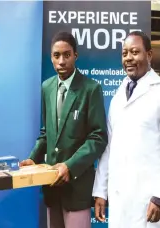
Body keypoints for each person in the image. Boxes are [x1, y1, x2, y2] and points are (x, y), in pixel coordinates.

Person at [20, 31, 108, 228]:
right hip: (52, 187)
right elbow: (46, 132)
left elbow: (98, 137)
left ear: (75, 56)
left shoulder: (91, 89)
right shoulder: (47, 87)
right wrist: (34, 159)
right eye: (56, 55)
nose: (61, 61)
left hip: (77, 188)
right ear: (51, 57)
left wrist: (70, 166)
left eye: (66, 55)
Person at [92, 31, 160, 228]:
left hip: (148, 200)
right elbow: (109, 148)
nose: (128, 58)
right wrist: (100, 192)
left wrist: (158, 195)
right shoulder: (118, 97)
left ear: (149, 55)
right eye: (124, 53)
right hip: (120, 199)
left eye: (135, 52)